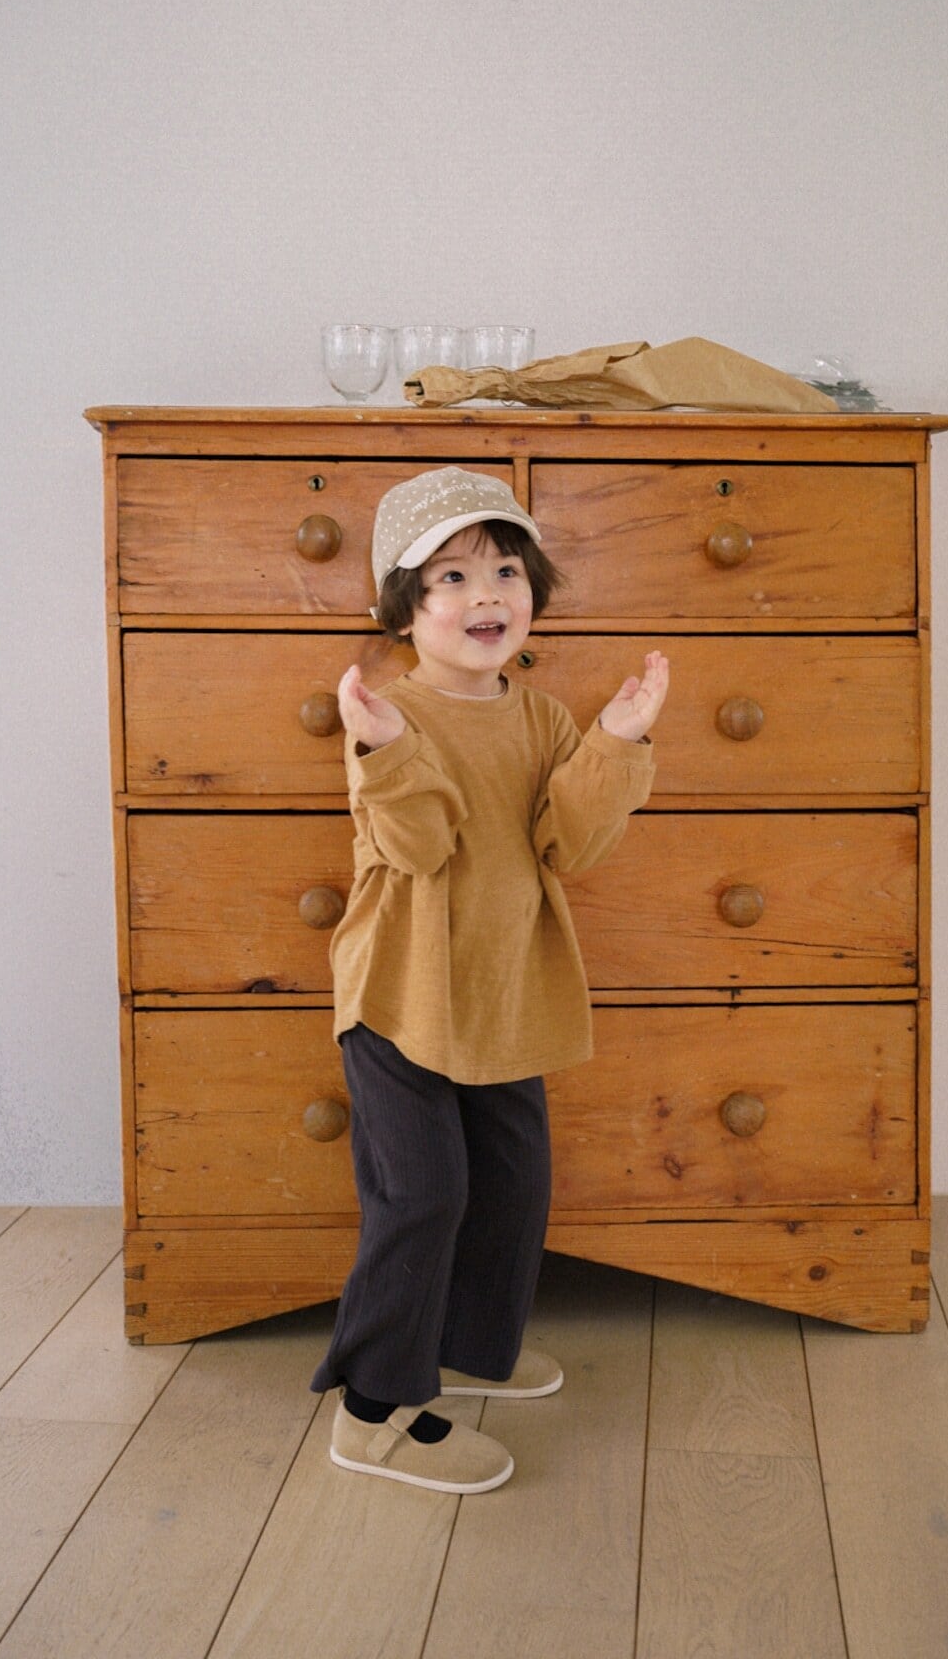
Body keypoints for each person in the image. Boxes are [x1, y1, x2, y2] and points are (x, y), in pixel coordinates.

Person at [310, 465, 669, 1493]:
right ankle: (372, 1411)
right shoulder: (389, 715)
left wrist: (615, 740)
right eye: (453, 577)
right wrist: (386, 752)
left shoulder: (541, 718)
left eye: (506, 571)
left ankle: (468, 1349)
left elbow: (569, 842)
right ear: (404, 609)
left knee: (512, 1185)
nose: (487, 596)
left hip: (505, 992)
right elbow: (420, 847)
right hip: (401, 996)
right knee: (424, 1195)